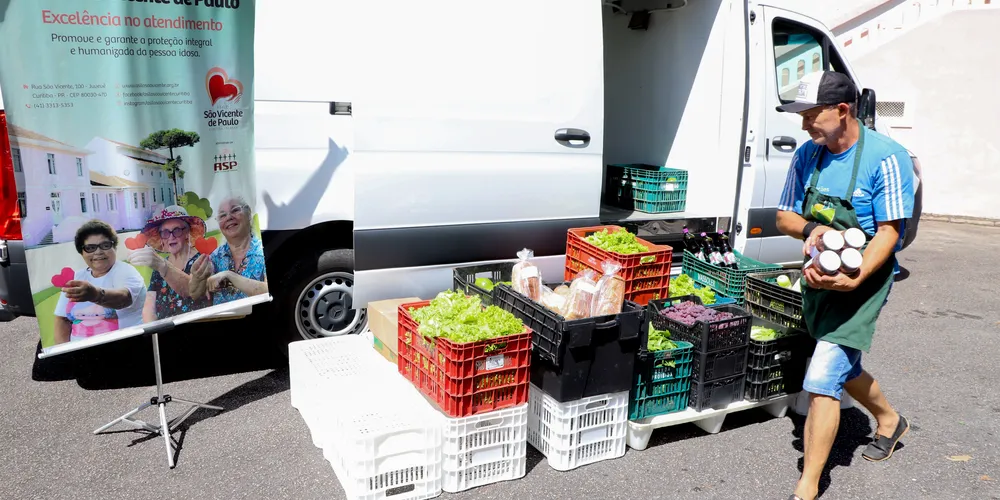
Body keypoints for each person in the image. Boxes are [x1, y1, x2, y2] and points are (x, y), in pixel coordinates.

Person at [774, 71, 914, 500]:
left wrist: (855, 277)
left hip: (864, 281)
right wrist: (811, 229)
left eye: (810, 115)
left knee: (822, 377)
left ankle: (808, 485)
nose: (803, 126)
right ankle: (890, 420)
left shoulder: (886, 157)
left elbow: (890, 232)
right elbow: (783, 216)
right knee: (840, 364)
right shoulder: (808, 155)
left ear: (841, 110)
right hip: (819, 276)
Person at [53, 220, 147, 344]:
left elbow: (124, 298)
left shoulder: (126, 272)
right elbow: (62, 319)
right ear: (82, 253)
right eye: (90, 248)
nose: (98, 252)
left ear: (114, 247)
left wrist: (95, 294)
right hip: (80, 351)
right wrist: (65, 352)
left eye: (105, 245)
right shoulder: (77, 277)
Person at [128, 206, 212, 322]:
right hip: (163, 329)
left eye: (176, 230)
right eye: (165, 233)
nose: (171, 237)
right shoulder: (158, 267)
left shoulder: (201, 260)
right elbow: (148, 308)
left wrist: (162, 265)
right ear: (161, 239)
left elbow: (192, 290)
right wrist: (153, 328)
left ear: (187, 233)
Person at [189, 195, 268, 303]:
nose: (229, 217)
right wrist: (197, 277)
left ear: (248, 213)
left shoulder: (262, 249)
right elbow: (194, 294)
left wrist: (229, 275)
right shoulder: (215, 256)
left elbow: (269, 290)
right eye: (222, 215)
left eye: (235, 210)